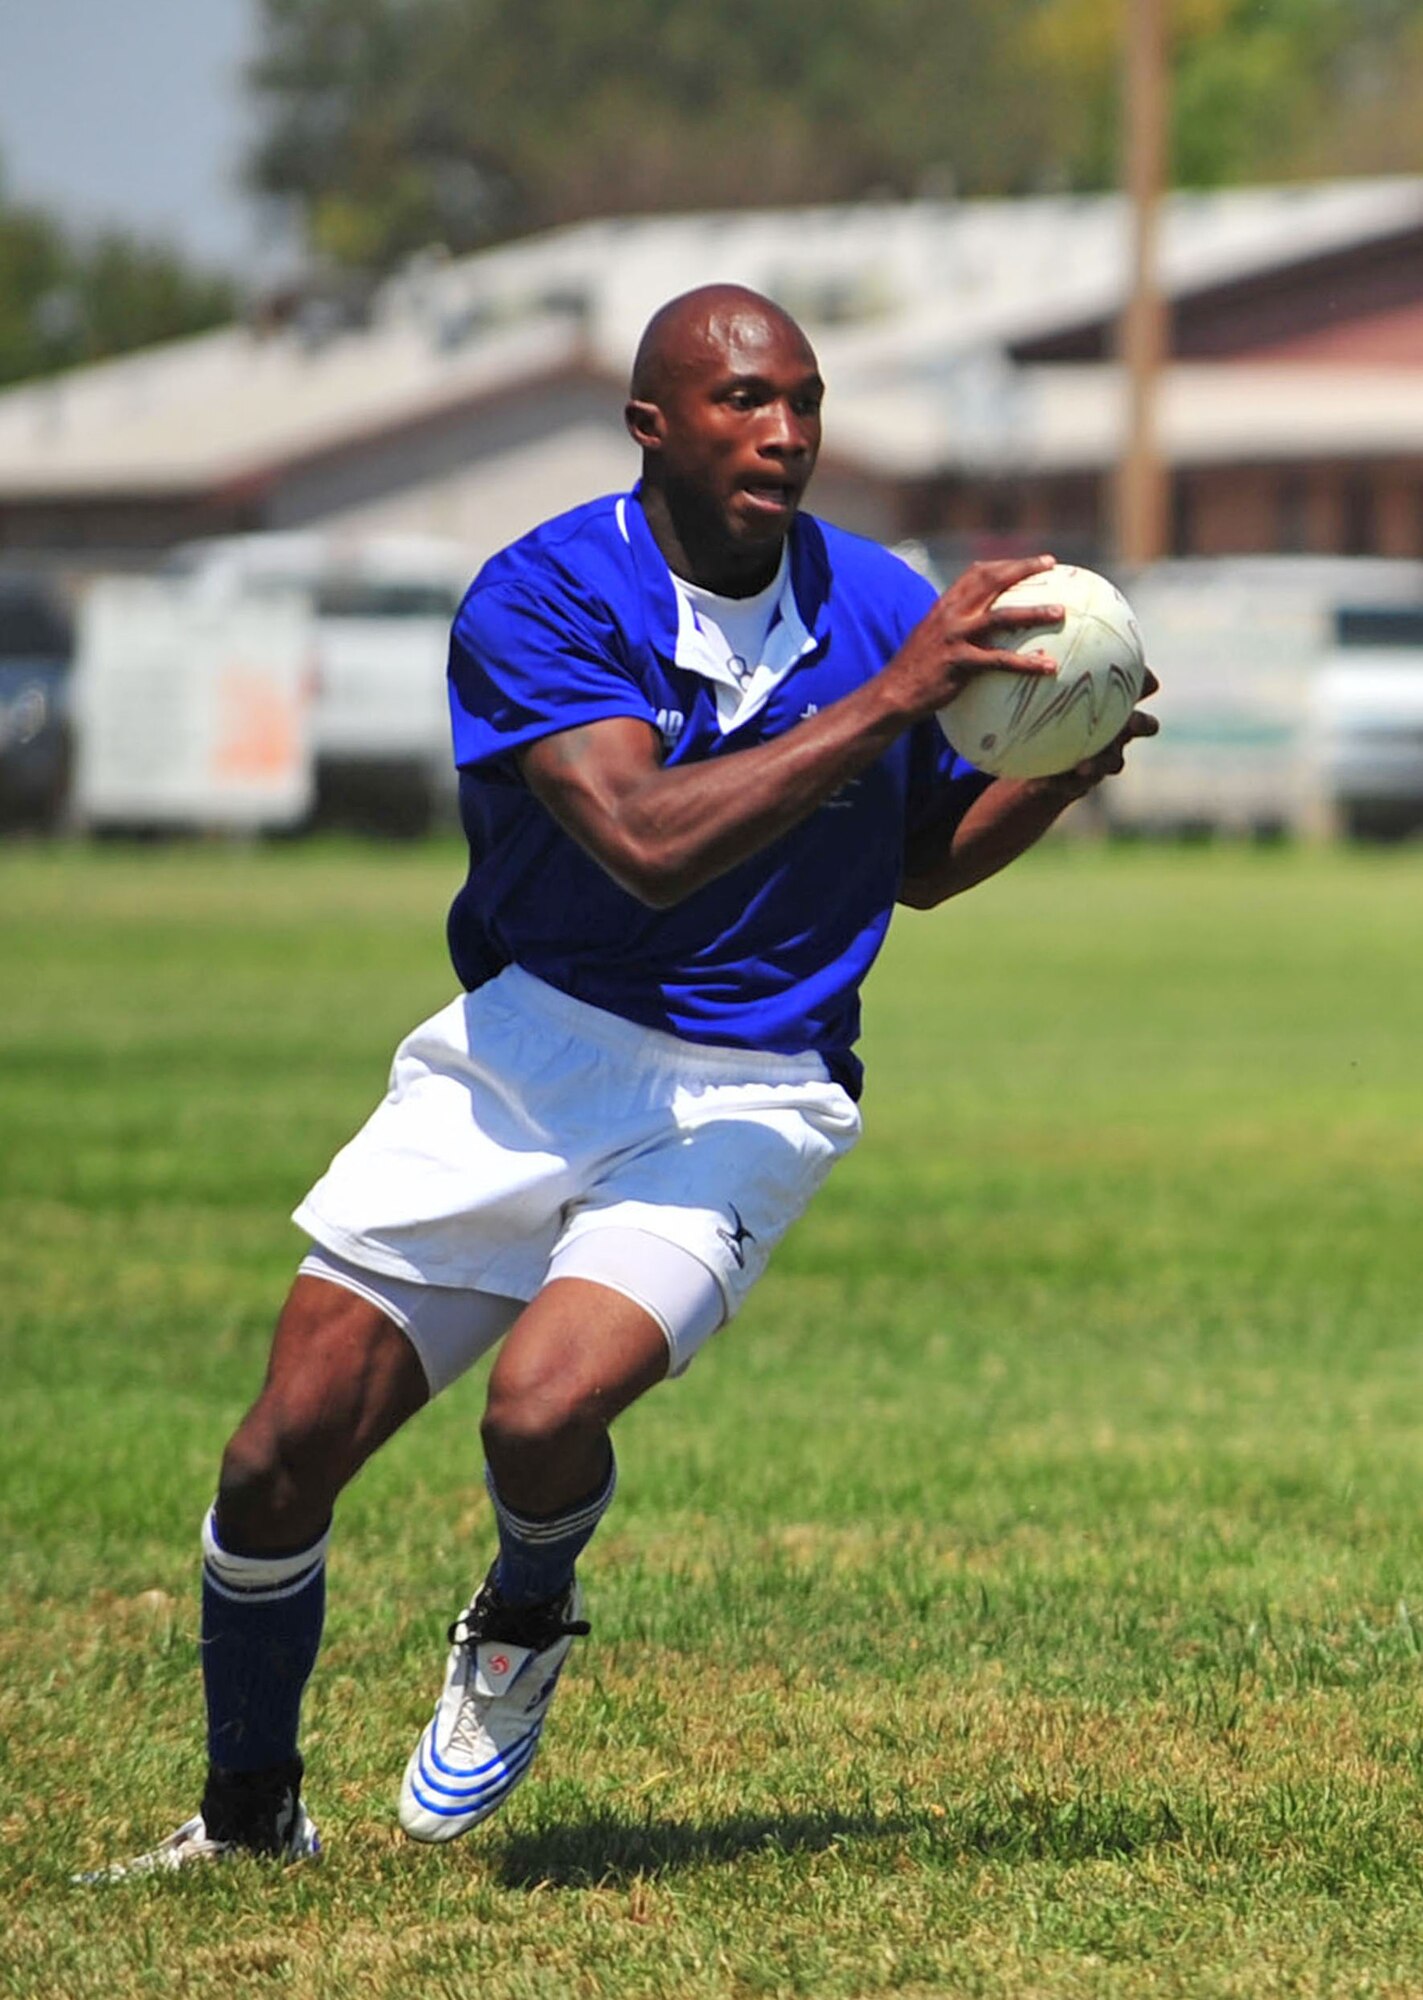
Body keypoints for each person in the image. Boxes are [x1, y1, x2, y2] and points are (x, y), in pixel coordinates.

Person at [92, 283, 1157, 1875]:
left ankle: (526, 1602)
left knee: (541, 1410)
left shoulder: (878, 605)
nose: (784, 432)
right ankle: (249, 1821)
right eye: (742, 402)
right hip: (527, 1054)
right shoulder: (543, 597)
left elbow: (917, 867)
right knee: (276, 1455)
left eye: (803, 400)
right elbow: (647, 846)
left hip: (750, 1090)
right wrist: (892, 700)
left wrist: (1056, 775)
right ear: (651, 423)